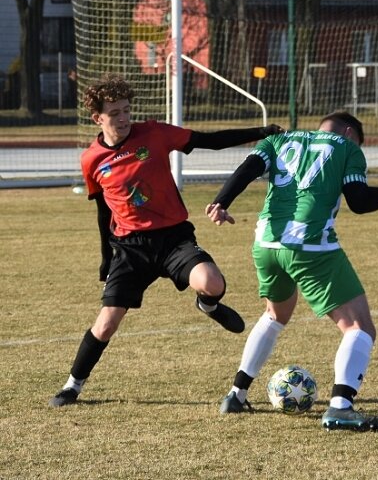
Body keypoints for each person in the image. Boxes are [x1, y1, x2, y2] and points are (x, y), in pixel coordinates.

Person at [48, 73, 282, 407]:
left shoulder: (154, 133)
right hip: (130, 249)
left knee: (212, 282)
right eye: (115, 113)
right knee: (106, 324)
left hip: (174, 239)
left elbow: (209, 141)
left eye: (127, 109)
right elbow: (103, 211)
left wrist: (260, 133)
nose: (124, 117)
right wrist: (106, 257)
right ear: (97, 118)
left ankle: (208, 304)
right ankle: (72, 386)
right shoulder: (91, 160)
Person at [206, 112, 378, 431]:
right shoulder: (347, 148)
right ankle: (340, 407)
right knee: (359, 327)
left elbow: (248, 168)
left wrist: (221, 201)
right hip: (310, 246)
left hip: (266, 244)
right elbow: (360, 202)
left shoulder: (278, 139)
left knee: (275, 314)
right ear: (350, 133)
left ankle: (236, 394)